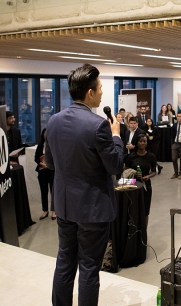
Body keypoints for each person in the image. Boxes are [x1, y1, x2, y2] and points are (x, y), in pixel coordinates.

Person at [44, 64, 124, 306]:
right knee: (89, 267)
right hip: (92, 210)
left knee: (65, 262)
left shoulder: (54, 121)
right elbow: (116, 166)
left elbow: (49, 162)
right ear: (90, 92)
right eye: (100, 88)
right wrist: (117, 136)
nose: (101, 92)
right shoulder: (98, 125)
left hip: (65, 206)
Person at [125, 134, 157, 228]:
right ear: (137, 143)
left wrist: (148, 176)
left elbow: (154, 171)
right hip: (133, 186)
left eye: (145, 141)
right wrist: (133, 174)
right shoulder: (131, 156)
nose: (143, 143)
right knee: (134, 209)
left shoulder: (151, 156)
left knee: (145, 210)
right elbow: (126, 170)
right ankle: (135, 230)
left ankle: (144, 232)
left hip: (146, 186)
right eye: (140, 141)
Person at [35, 128, 56, 220]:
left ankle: (54, 211)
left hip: (52, 171)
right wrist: (42, 164)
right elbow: (36, 158)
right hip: (42, 171)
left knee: (53, 192)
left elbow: (57, 158)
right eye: (44, 133)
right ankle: (45, 210)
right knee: (44, 191)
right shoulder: (40, 146)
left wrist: (49, 165)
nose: (46, 135)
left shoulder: (54, 145)